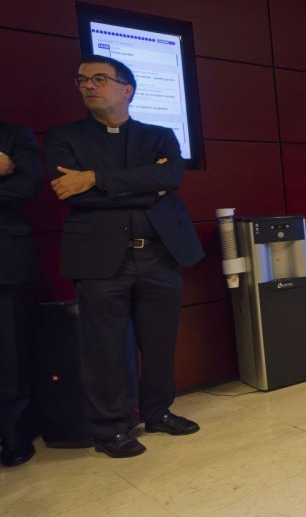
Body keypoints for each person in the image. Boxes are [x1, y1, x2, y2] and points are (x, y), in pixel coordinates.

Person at [44, 56, 205, 458]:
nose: (88, 85)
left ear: (127, 89)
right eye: (82, 79)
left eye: (100, 78)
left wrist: (95, 178)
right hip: (98, 259)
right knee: (105, 349)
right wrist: (147, 186)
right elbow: (69, 192)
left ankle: (157, 412)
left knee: (159, 342)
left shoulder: (160, 134)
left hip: (159, 255)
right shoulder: (64, 137)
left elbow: (171, 178)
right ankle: (109, 428)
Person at [0, 119, 42, 467]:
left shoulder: (14, 133)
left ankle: (14, 433)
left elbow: (27, 185)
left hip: (7, 260)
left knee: (11, 353)